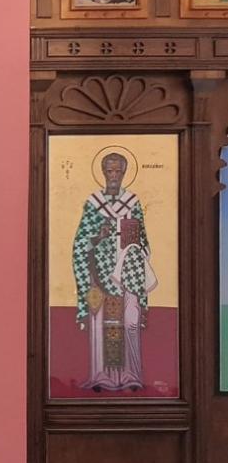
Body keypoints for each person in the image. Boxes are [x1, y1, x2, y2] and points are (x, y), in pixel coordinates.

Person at [73, 152, 154, 392]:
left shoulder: (133, 202)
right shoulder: (93, 203)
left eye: (119, 171)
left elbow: (143, 240)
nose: (114, 176)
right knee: (100, 323)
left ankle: (132, 375)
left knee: (130, 322)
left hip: (128, 274)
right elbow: (80, 242)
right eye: (110, 171)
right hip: (99, 273)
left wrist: (135, 247)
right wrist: (98, 237)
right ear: (103, 172)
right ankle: (100, 376)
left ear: (125, 173)